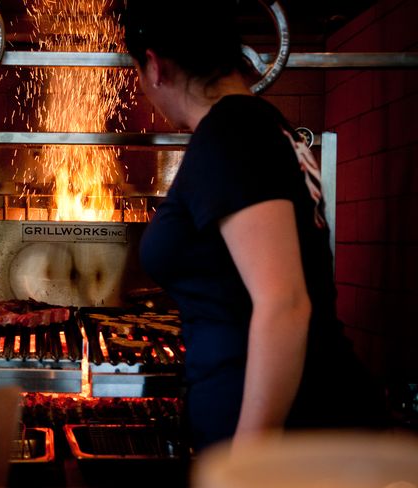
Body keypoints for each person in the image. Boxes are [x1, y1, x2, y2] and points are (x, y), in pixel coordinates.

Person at [121, 0, 388, 453]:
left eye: (137, 74)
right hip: (301, 428)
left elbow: (284, 304)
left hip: (294, 442)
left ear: (154, 65)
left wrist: (248, 464)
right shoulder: (258, 126)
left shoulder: (232, 134)